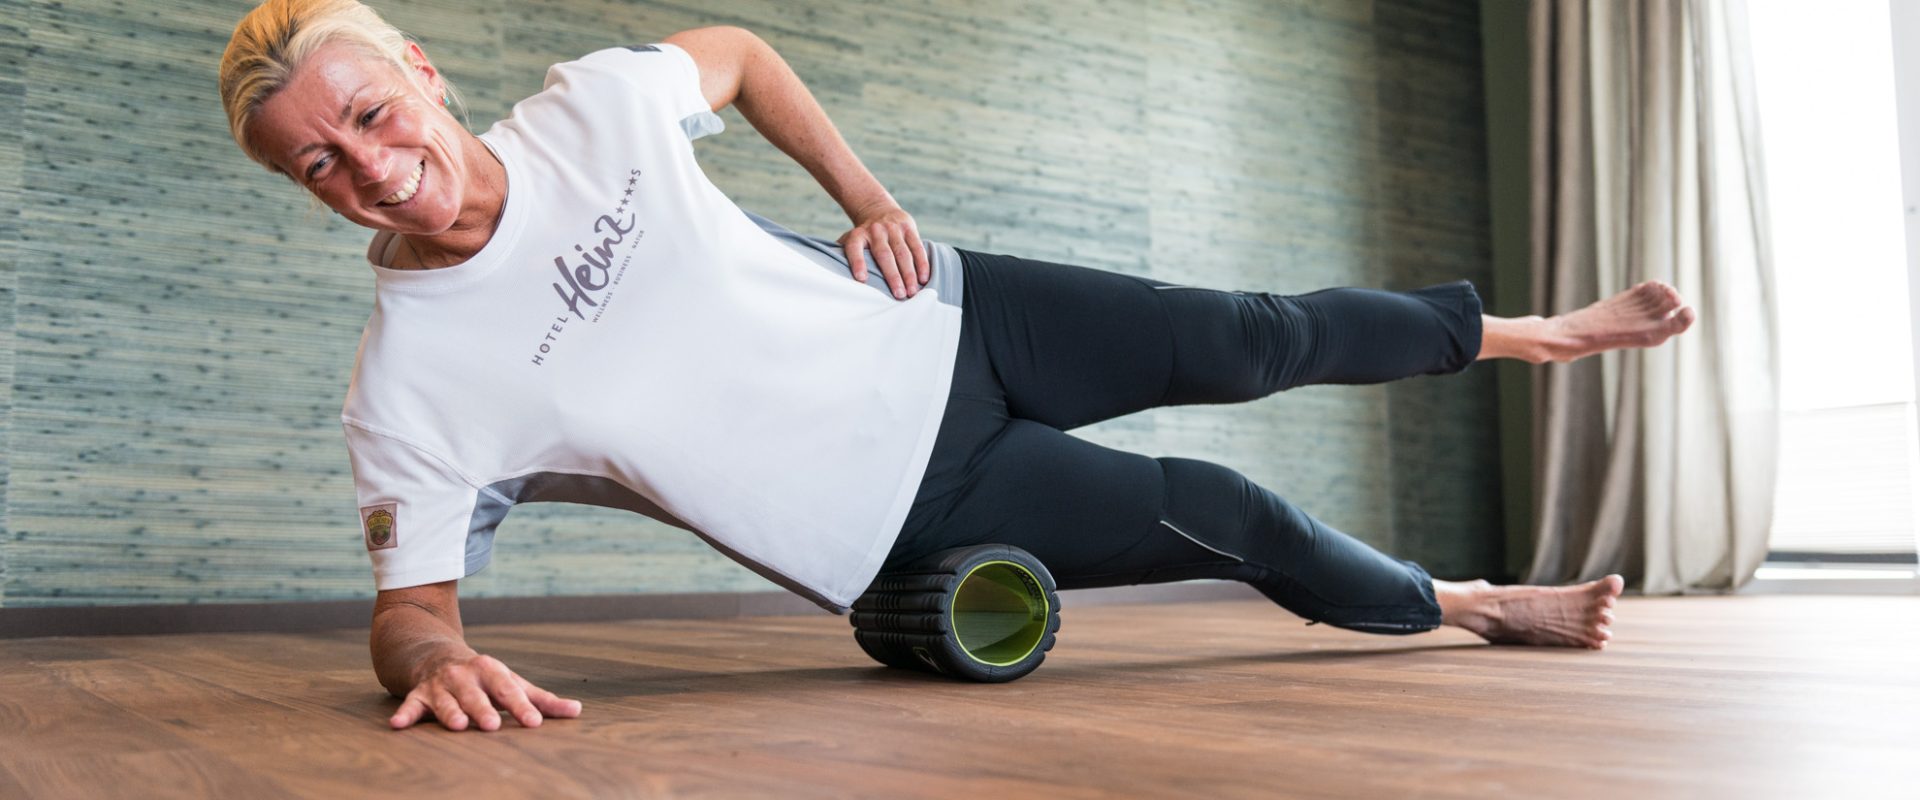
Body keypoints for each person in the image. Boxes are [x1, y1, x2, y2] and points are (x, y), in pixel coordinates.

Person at [217, 0, 1696, 733]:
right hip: (908, 505)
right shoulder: (410, 380)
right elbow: (408, 611)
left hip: (950, 316)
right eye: (318, 166)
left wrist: (866, 198)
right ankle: (1472, 605)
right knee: (1229, 510)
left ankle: (1534, 333)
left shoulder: (591, 112)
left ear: (417, 64)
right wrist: (439, 662)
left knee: (1257, 333)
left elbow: (731, 50)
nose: (367, 163)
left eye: (366, 110)